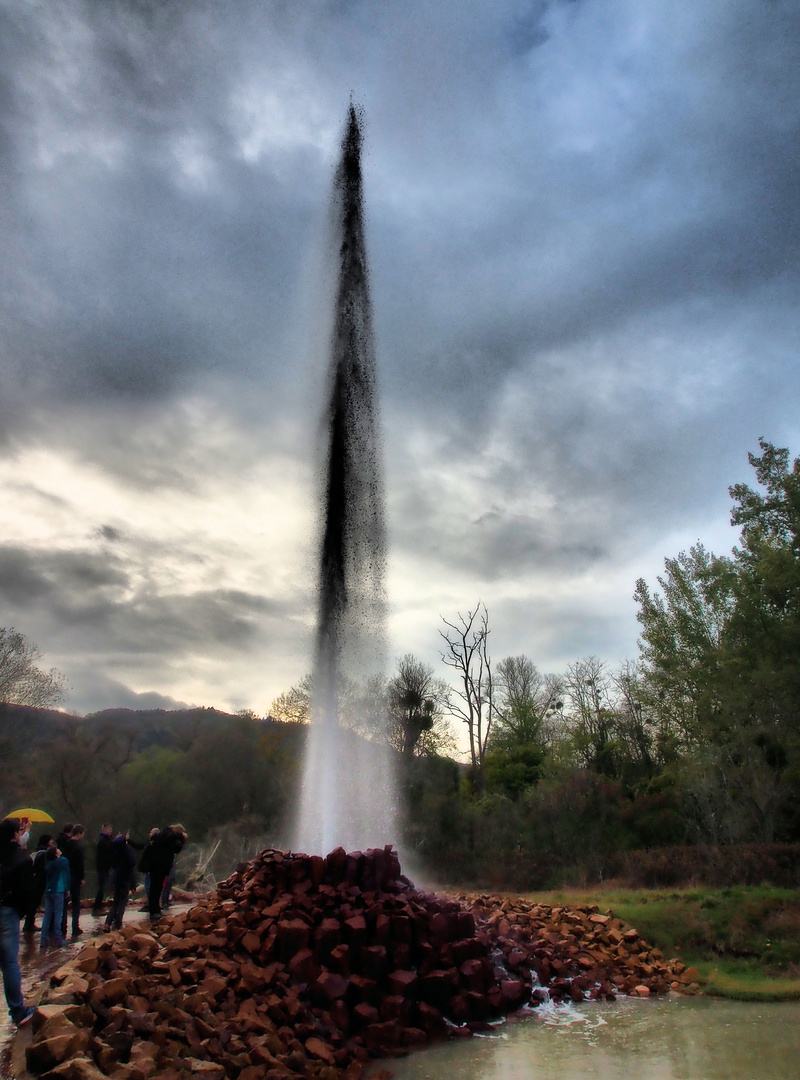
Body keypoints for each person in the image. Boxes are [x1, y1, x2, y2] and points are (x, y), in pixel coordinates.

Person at [0, 818, 35, 1027]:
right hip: (8, 911)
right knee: (9, 963)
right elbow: (27, 892)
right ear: (15, 834)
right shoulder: (22, 859)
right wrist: (20, 912)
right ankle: (18, 1011)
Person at [146, 825, 187, 921]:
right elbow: (169, 837)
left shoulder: (171, 838)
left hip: (163, 866)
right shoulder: (166, 833)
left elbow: (176, 850)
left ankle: (156, 909)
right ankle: (153, 911)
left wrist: (181, 842)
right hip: (157, 865)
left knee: (158, 888)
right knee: (154, 889)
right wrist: (180, 835)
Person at [104, 832, 138, 931]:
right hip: (125, 879)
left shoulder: (114, 851)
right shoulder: (127, 851)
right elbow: (132, 864)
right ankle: (118, 924)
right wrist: (133, 884)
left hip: (116, 879)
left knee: (116, 902)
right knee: (122, 902)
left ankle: (107, 923)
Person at [40, 845, 70, 948]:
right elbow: (66, 875)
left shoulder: (48, 864)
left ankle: (43, 939)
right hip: (58, 890)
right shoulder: (62, 861)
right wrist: (67, 889)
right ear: (56, 854)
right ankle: (57, 939)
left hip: (49, 890)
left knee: (47, 916)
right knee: (58, 915)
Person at [23, 833, 52, 934]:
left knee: (34, 902)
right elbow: (42, 868)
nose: (52, 842)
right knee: (34, 902)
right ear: (47, 841)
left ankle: (29, 922)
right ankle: (29, 923)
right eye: (51, 840)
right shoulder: (44, 853)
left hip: (34, 880)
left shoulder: (37, 851)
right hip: (39, 881)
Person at [61, 824, 86, 940]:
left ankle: (62, 926)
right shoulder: (79, 847)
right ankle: (75, 926)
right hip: (75, 876)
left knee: (64, 902)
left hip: (65, 875)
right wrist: (81, 878)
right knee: (76, 902)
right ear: (79, 834)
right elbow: (80, 864)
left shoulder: (65, 845)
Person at [92, 824, 115, 915]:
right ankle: (96, 908)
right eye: (109, 829)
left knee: (103, 887)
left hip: (106, 867)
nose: (110, 831)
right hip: (103, 867)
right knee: (102, 888)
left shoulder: (106, 840)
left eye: (111, 829)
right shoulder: (103, 840)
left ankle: (99, 907)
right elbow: (110, 848)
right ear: (104, 829)